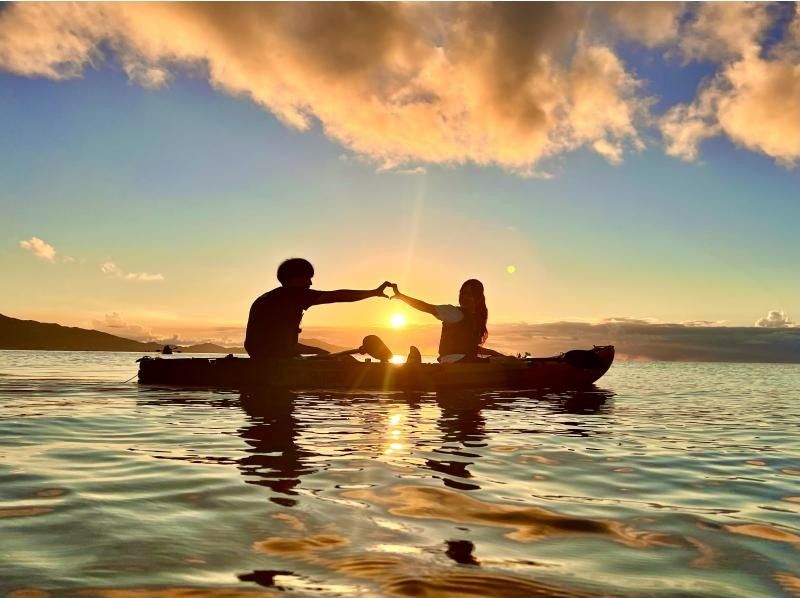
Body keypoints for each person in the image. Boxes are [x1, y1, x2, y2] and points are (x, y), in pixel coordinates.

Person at [245, 258, 391, 359]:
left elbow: (282, 344)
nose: (310, 283)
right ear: (293, 278)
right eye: (307, 278)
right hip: (273, 360)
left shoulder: (268, 298)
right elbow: (337, 296)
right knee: (339, 361)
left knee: (325, 354)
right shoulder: (292, 295)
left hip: (265, 355)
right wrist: (373, 292)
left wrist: (320, 352)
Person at [390, 279, 505, 362]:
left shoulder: (474, 319)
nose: (464, 297)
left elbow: (469, 347)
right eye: (463, 293)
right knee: (500, 362)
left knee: (500, 359)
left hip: (465, 362)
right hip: (454, 363)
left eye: (469, 294)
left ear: (478, 298)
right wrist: (401, 297)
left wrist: (495, 353)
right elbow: (426, 307)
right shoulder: (453, 312)